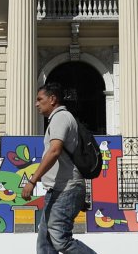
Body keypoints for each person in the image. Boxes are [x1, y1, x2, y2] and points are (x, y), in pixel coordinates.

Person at [21, 83, 97, 254]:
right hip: (59, 190)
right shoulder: (59, 119)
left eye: (40, 99)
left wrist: (33, 180)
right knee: (45, 243)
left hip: (65, 189)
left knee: (60, 240)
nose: (36, 104)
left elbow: (54, 150)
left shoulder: (61, 117)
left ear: (53, 99)